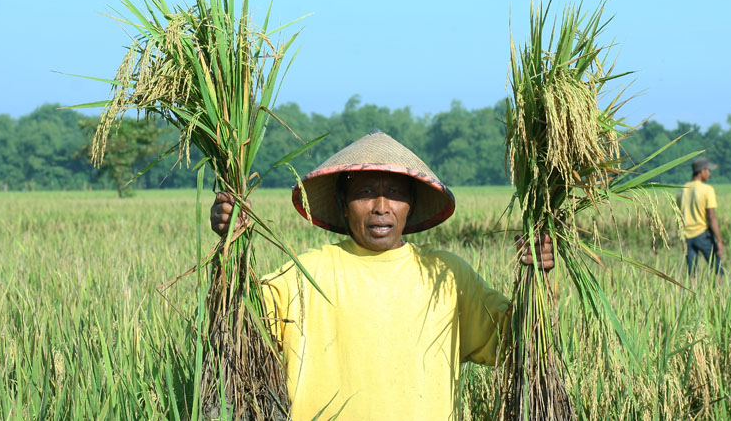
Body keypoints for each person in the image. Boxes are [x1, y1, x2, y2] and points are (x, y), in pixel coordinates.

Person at [211, 130, 553, 421]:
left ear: (411, 205)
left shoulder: (446, 276)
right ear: (344, 205)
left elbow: (518, 342)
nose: (381, 206)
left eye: (395, 193)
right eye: (364, 193)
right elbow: (239, 322)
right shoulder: (305, 274)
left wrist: (537, 277)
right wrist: (231, 248)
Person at [676, 156, 725, 280]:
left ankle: (692, 295)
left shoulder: (682, 190)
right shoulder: (707, 190)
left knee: (692, 273)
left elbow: (679, 215)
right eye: (708, 170)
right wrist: (719, 241)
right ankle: (720, 295)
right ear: (702, 171)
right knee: (717, 269)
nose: (709, 173)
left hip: (687, 237)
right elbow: (712, 217)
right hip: (702, 235)